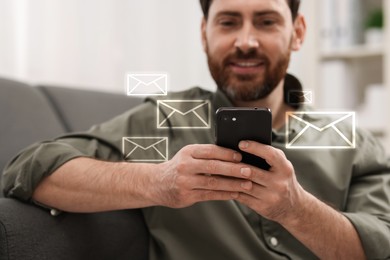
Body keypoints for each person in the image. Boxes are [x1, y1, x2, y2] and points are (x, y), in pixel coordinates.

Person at [2, 0, 390, 259]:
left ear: (298, 32)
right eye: (228, 22)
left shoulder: (353, 142)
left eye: (267, 21)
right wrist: (158, 181)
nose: (245, 41)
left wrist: (295, 209)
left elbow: (381, 246)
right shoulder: (165, 121)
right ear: (204, 33)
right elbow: (29, 168)